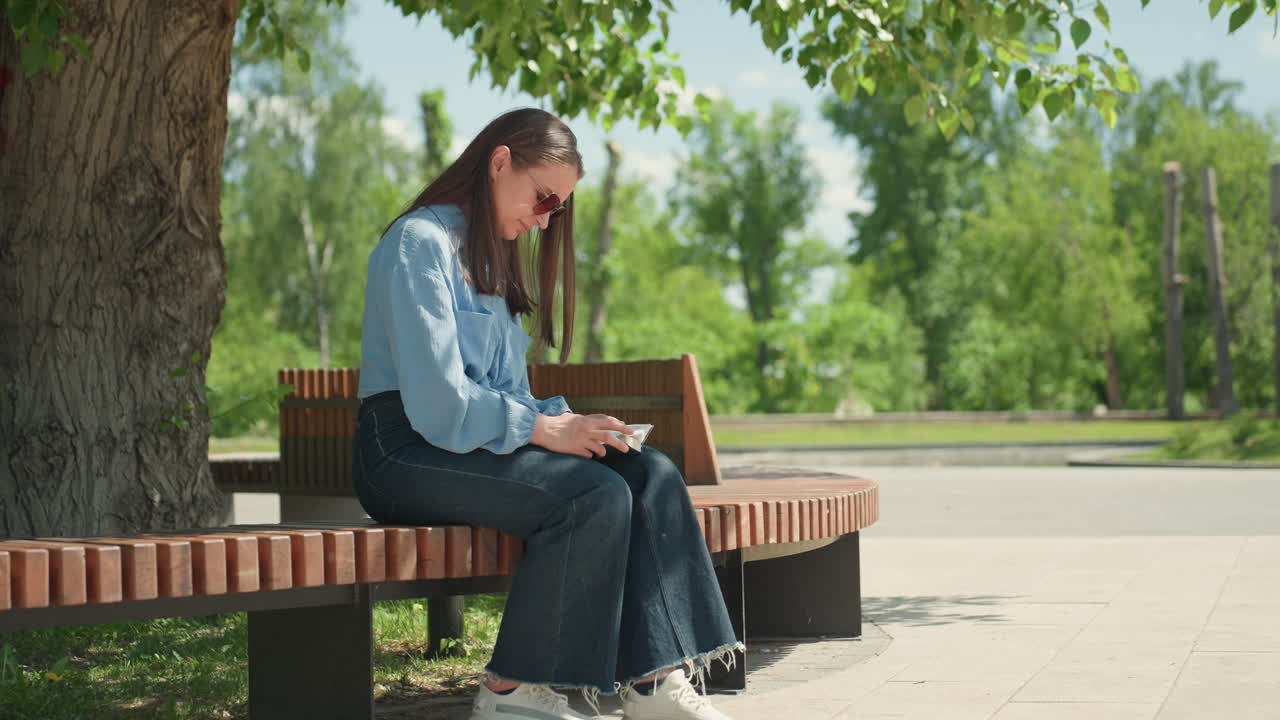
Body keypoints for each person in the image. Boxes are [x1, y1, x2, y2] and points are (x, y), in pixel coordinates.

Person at [351, 107, 741, 720]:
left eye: (556, 208)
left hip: (467, 445)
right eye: (542, 197)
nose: (544, 218)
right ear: (500, 162)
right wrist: (542, 430)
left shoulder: (492, 260)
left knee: (649, 472)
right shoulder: (418, 244)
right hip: (403, 453)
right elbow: (437, 403)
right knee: (590, 497)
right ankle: (512, 694)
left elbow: (508, 398)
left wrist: (576, 427)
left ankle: (654, 683)